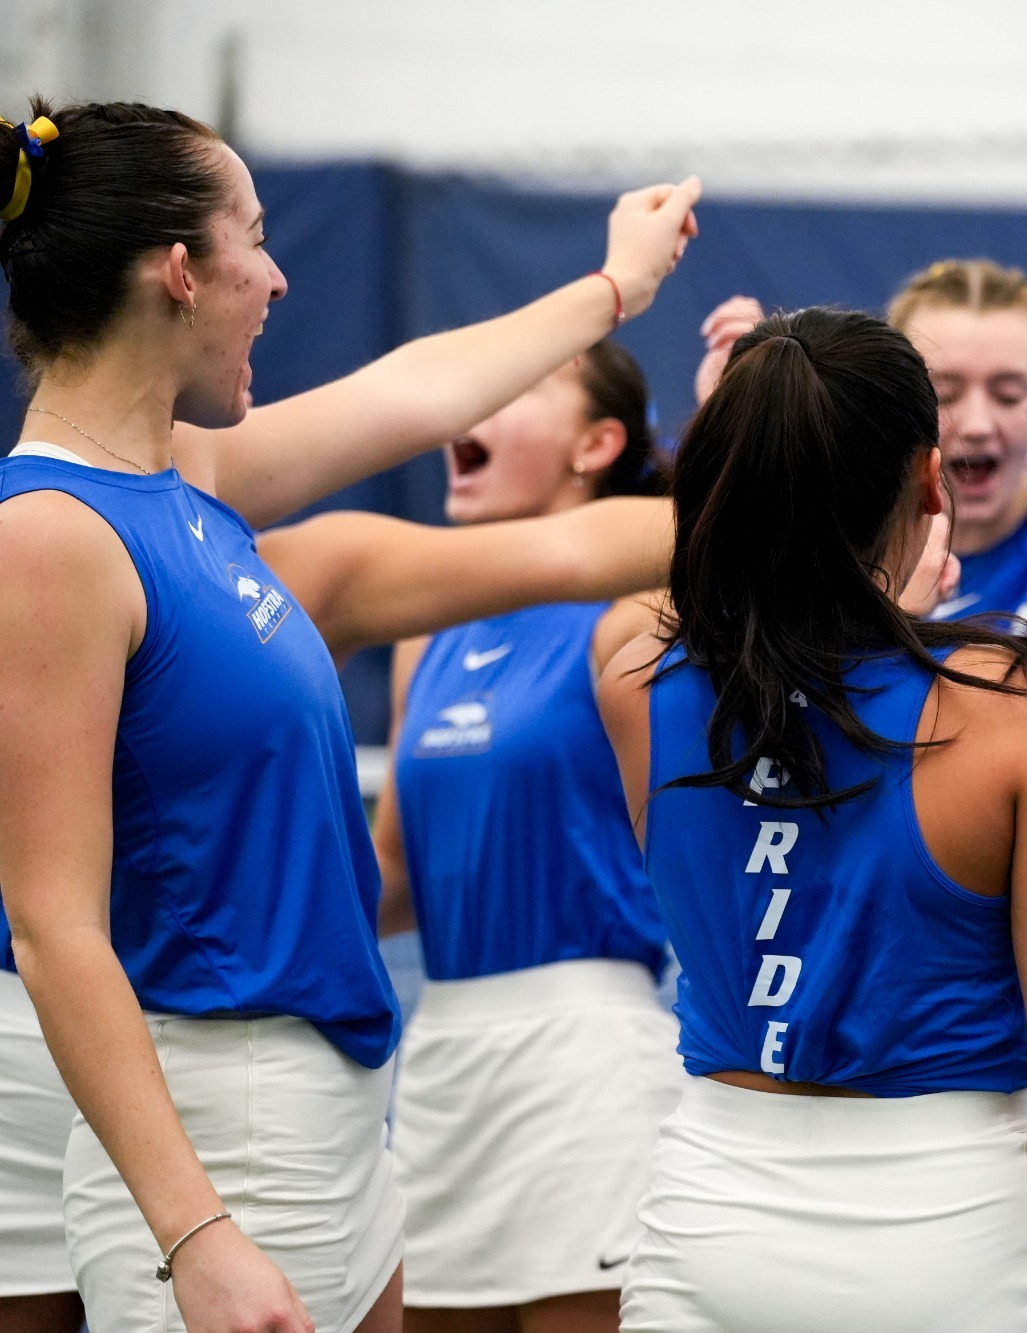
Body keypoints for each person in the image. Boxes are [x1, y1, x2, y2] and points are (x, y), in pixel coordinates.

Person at [0, 98, 696, 1333]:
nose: (277, 278)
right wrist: (197, 1232)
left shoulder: (184, 483)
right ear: (179, 272)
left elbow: (413, 391)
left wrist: (614, 289)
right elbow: (56, 928)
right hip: (221, 1121)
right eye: (256, 238)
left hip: (325, 1108)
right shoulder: (49, 537)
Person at [599, 307, 1027, 1332]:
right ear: (928, 480)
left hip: (707, 1230)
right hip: (961, 1238)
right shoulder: (1009, 712)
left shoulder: (637, 679)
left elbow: (736, 635)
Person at [697, 262, 1027, 1180]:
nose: (978, 421)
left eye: (1010, 393)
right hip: (895, 974)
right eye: (946, 391)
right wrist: (739, 439)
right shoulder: (827, 551)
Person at [370, 342, 683, 1333]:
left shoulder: (637, 614)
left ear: (596, 444)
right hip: (441, 1059)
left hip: (588, 1060)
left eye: (514, 386)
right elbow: (393, 873)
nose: (473, 403)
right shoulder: (425, 630)